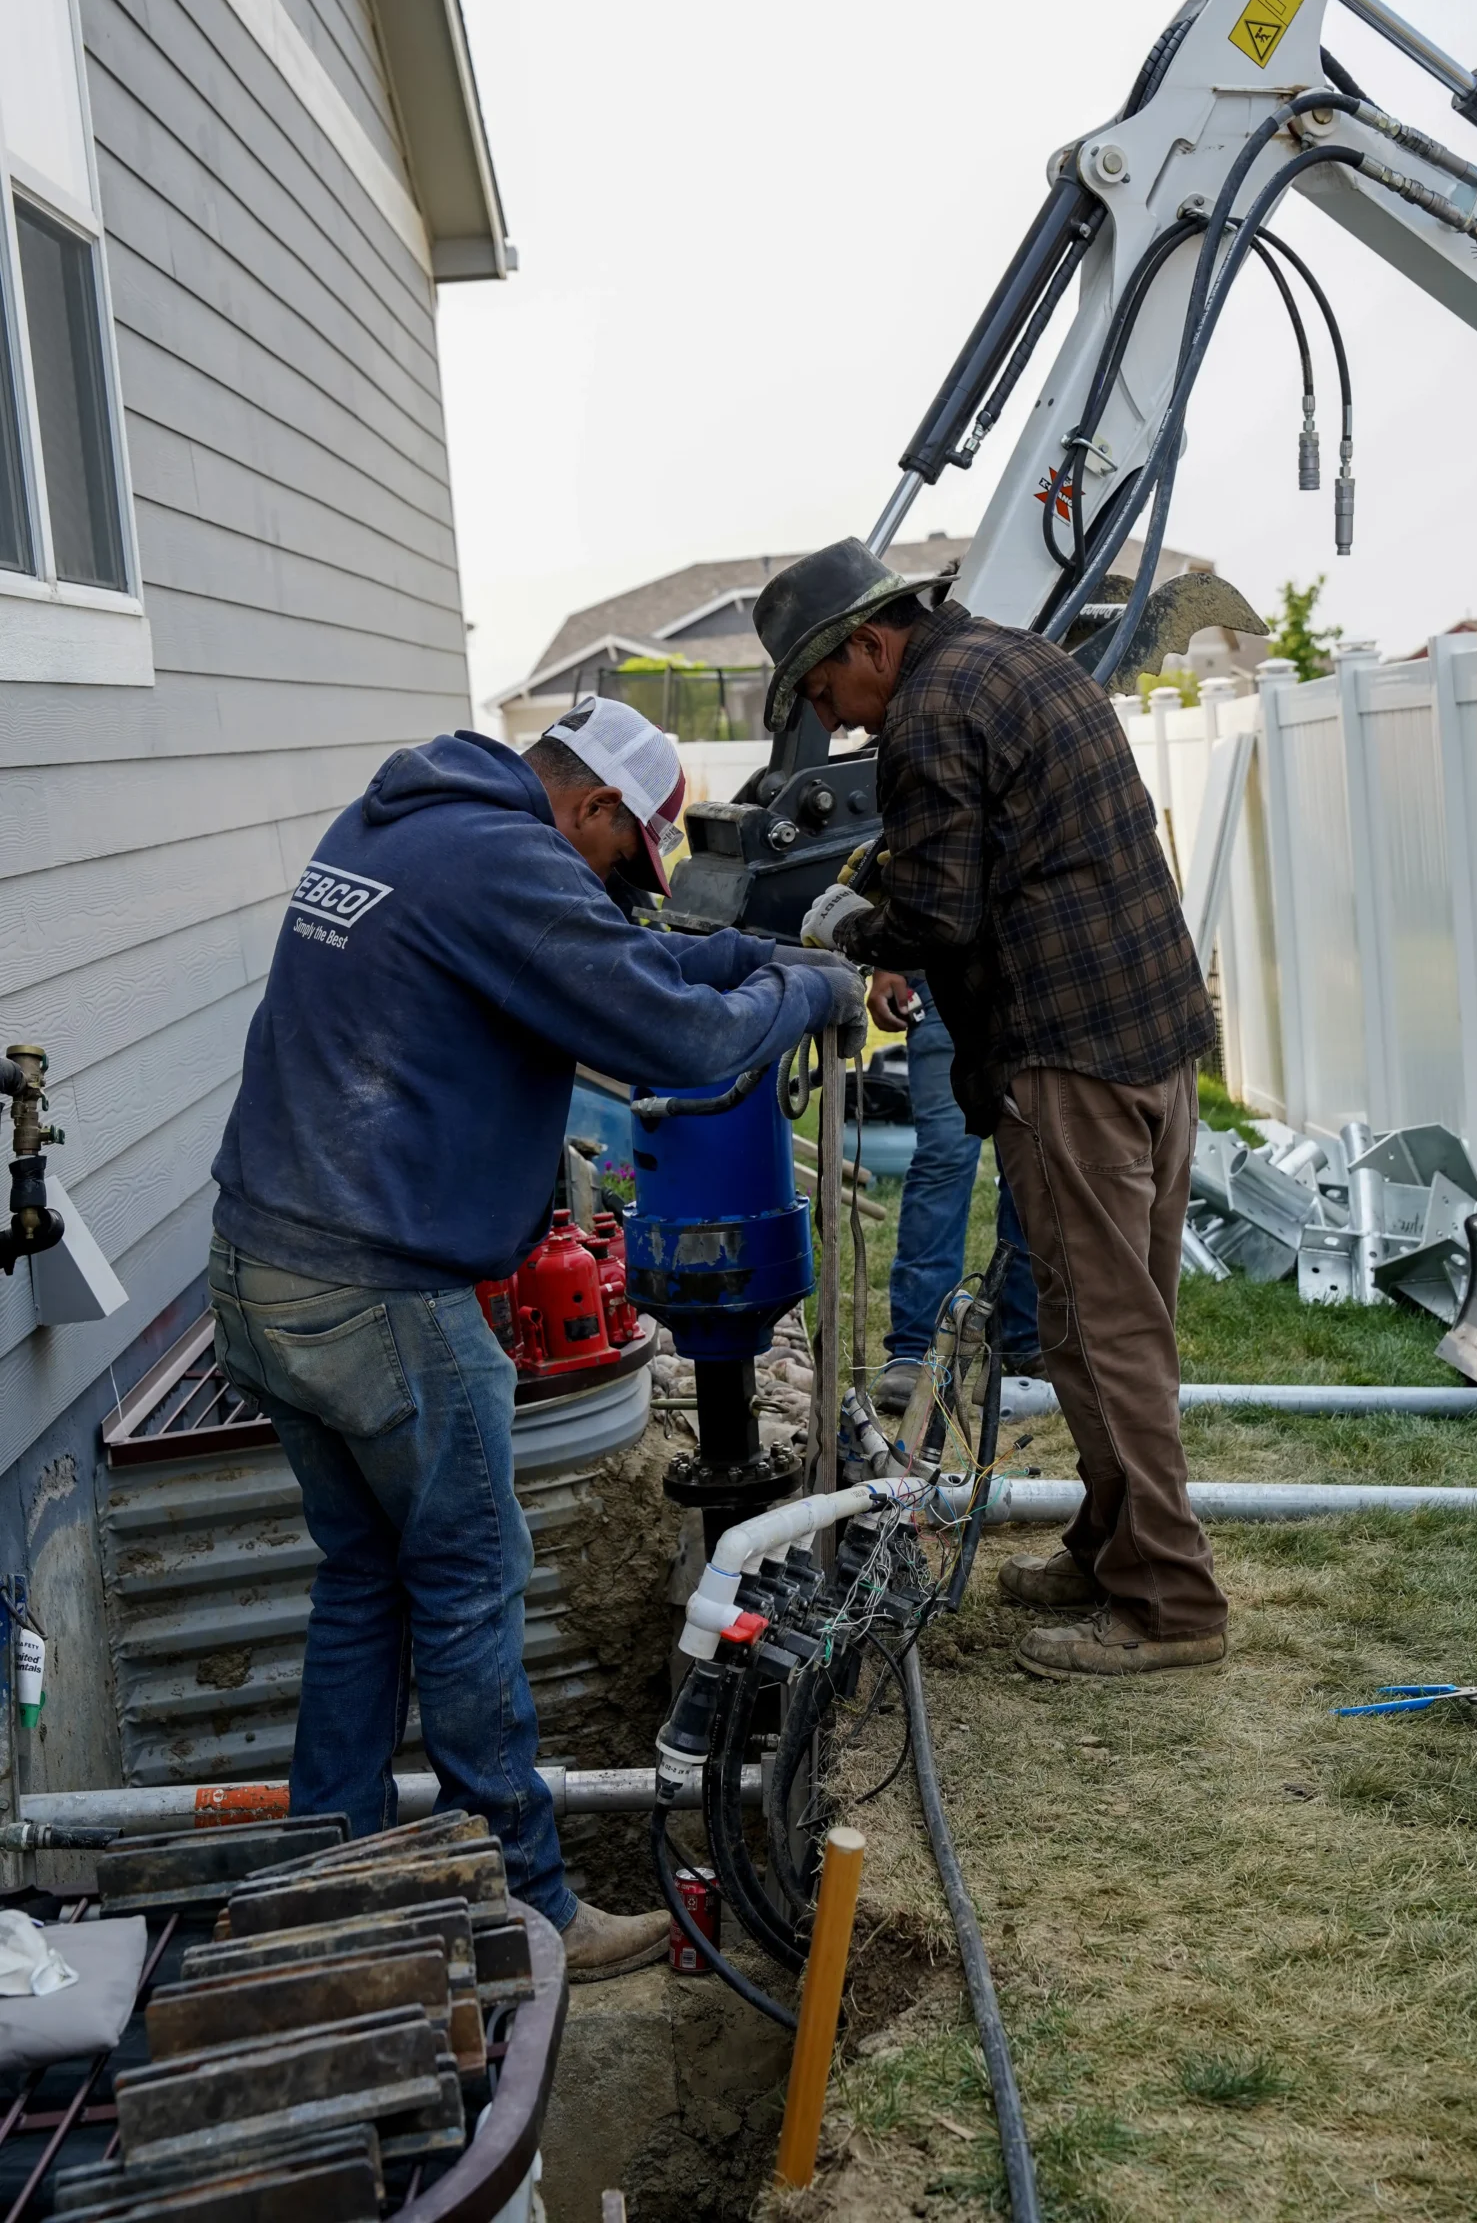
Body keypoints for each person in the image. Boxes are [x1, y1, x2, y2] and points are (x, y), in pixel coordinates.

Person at [210, 696, 863, 1972]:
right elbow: (672, 1036)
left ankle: (329, 1886)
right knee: (467, 1585)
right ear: (595, 809)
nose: (624, 888)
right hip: (376, 1293)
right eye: (627, 858)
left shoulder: (413, 820)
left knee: (364, 1581)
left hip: (257, 1264)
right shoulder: (506, 860)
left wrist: (739, 954)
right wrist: (808, 987)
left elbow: (631, 960)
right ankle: (522, 1900)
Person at [753, 541, 1227, 1684]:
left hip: (1068, 1053)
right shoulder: (1018, 663)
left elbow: (938, 909)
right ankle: (1113, 1543)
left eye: (826, 694)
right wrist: (881, 868)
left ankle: (1169, 1600)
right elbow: (988, 844)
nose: (838, 722)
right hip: (1150, 1036)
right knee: (1112, 1318)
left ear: (868, 643)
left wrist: (840, 927)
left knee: (1098, 1332)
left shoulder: (930, 710)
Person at [865, 969, 1040, 1409]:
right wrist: (888, 965)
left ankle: (1026, 1339)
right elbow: (910, 896)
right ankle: (915, 1352)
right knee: (944, 1160)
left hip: (1039, 981)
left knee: (1036, 1166)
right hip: (947, 984)